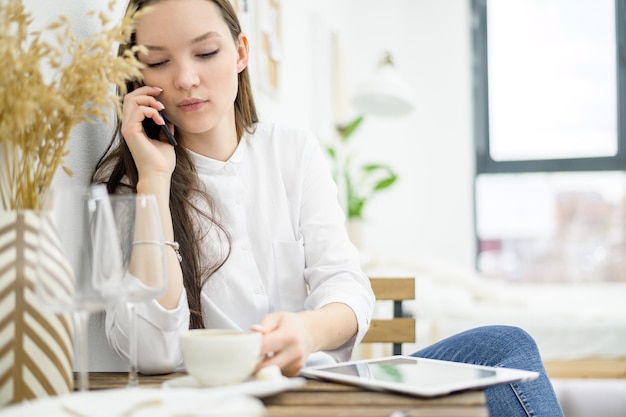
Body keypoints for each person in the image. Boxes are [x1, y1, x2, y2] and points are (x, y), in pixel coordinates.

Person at [92, 1, 564, 416]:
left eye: (206, 52)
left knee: (507, 348)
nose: (185, 79)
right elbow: (150, 350)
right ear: (138, 75)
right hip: (226, 407)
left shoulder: (291, 151)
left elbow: (346, 288)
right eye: (158, 62)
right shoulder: (127, 183)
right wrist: (154, 179)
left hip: (328, 393)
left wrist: (306, 331)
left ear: (240, 53)